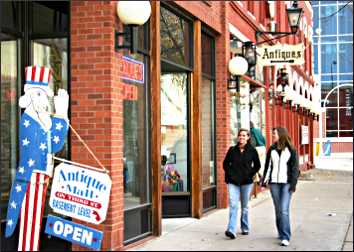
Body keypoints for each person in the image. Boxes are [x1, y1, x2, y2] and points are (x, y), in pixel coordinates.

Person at [5, 66, 69, 250]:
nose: (44, 101)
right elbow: (53, 144)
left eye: (45, 96)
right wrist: (61, 114)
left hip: (40, 177)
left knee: (34, 221)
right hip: (31, 178)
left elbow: (54, 143)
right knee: (30, 222)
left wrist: (60, 115)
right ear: (29, 96)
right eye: (40, 95)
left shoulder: (41, 119)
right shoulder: (29, 120)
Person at [261, 127, 300, 247]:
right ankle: (281, 231)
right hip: (274, 184)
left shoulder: (291, 150)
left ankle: (285, 236)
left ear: (281, 135)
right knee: (278, 210)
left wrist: (293, 184)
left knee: (283, 210)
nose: (273, 136)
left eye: (274, 134)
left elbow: (295, 169)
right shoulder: (271, 149)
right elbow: (268, 166)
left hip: (286, 183)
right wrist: (264, 181)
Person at [223, 128, 261, 239]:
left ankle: (245, 227)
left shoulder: (252, 151)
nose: (241, 137)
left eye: (244, 135)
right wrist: (230, 174)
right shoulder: (232, 150)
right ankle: (231, 229)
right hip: (233, 182)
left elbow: (257, 165)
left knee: (244, 206)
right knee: (233, 205)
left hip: (246, 182)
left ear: (248, 137)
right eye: (240, 135)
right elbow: (225, 164)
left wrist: (250, 174)